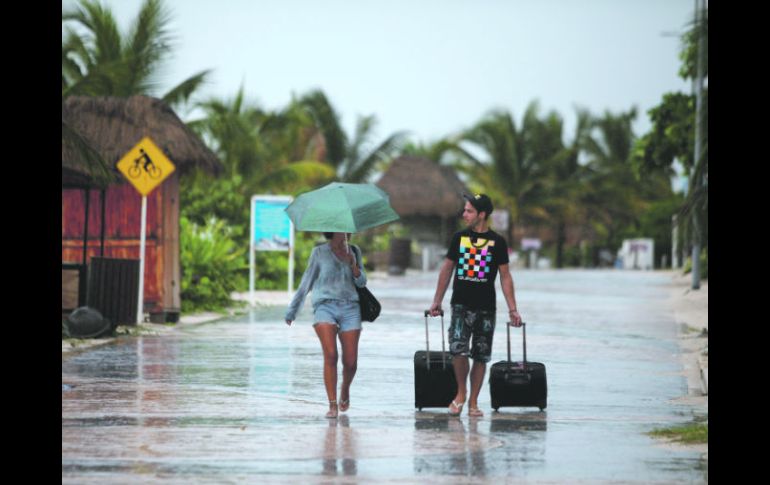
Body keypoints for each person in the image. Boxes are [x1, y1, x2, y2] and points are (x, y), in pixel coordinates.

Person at [429, 193, 523, 417]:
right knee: (458, 350)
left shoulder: (497, 242)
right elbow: (447, 269)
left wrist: (513, 309)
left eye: (469, 211)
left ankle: (473, 402)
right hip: (461, 305)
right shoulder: (459, 238)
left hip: (486, 308)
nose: (464, 214)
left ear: (482, 215)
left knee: (481, 356)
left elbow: (505, 277)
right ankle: (461, 393)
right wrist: (437, 301)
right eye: (464, 210)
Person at [285, 232, 366, 418]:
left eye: (347, 229)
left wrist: (353, 264)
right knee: (330, 354)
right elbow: (307, 282)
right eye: (340, 228)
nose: (345, 232)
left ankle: (345, 389)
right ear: (332, 231)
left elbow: (362, 282)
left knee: (351, 362)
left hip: (350, 308)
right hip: (325, 307)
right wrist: (292, 310)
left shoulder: (354, 251)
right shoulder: (319, 253)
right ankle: (332, 404)